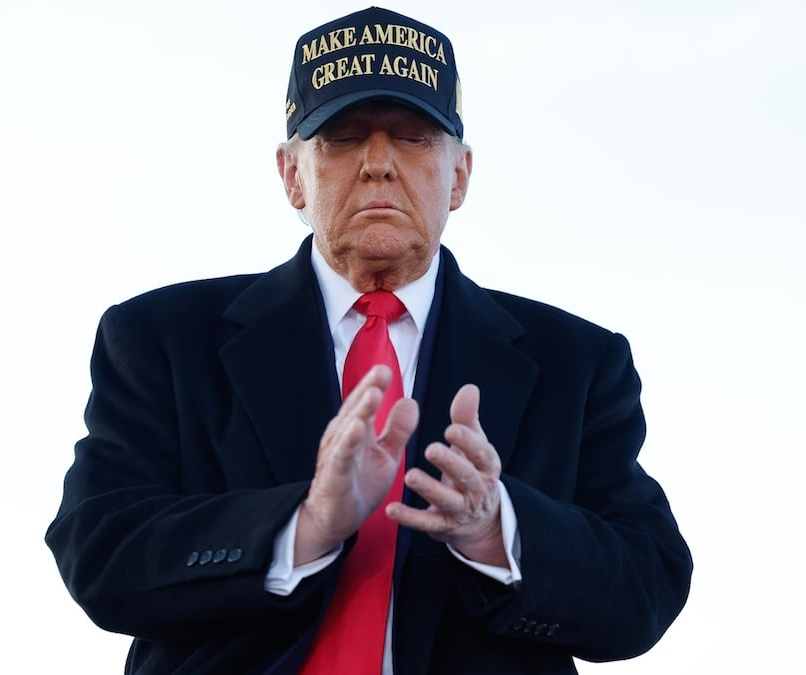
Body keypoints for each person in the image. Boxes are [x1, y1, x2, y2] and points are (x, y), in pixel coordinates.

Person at [45, 6, 692, 674]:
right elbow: (98, 549)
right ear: (292, 174)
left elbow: (648, 585)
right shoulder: (162, 338)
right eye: (344, 136)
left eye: (412, 137)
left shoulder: (576, 363)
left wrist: (497, 527)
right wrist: (305, 523)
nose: (378, 162)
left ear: (460, 174)